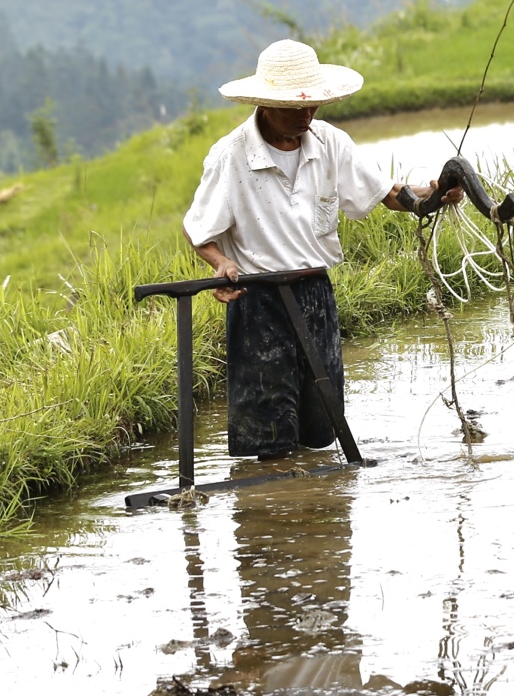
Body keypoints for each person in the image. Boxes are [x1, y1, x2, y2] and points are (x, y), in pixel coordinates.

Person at [183, 39, 453, 460]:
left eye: (312, 107)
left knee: (322, 423)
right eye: (295, 108)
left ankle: (316, 508)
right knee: (269, 424)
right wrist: (220, 263)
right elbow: (200, 231)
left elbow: (388, 193)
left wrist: (432, 197)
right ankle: (271, 507)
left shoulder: (330, 143)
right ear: (266, 105)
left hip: (315, 294)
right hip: (260, 300)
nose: (307, 116)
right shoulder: (231, 155)